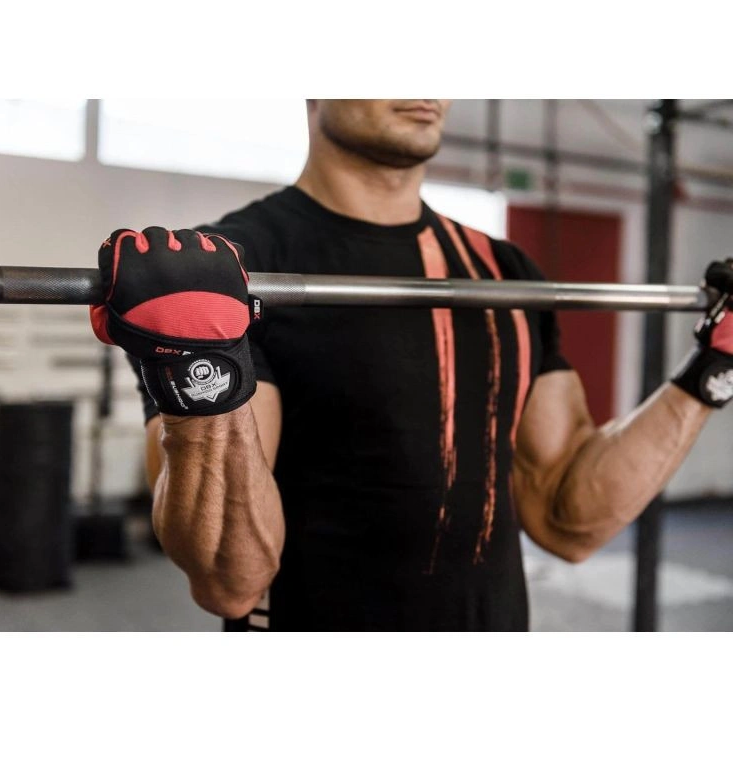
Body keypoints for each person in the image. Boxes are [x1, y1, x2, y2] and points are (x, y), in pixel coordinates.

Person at [90, 99, 733, 631]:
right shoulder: (238, 268)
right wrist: (201, 373)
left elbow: (569, 518)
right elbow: (231, 582)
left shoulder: (502, 271)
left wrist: (714, 367)